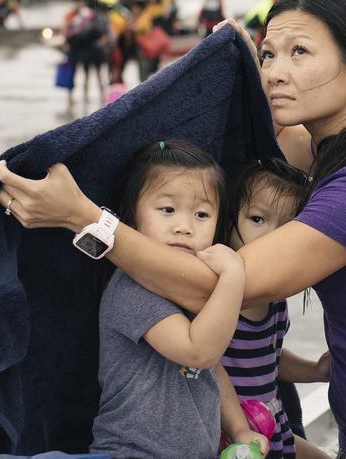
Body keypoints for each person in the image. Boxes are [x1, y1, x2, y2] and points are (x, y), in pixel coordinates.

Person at [0, 0, 346, 458]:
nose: (276, 71)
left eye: (299, 52)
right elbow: (247, 148)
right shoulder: (335, 150)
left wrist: (85, 219)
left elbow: (218, 289)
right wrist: (231, 62)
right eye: (268, 55)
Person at [87, 139, 264, 459]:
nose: (184, 227)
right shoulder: (132, 289)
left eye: (201, 213)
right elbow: (198, 352)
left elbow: (211, 371)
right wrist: (233, 276)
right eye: (167, 209)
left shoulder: (188, 290)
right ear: (132, 217)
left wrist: (240, 429)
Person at [217, 159, 333, 459]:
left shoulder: (276, 301)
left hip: (272, 427)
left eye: (287, 228)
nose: (271, 236)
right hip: (232, 437)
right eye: (257, 219)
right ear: (230, 221)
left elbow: (271, 359)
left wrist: (315, 371)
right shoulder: (217, 298)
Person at [63, 0, 108, 106]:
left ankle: (103, 99)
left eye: (82, 2)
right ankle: (80, 99)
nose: (80, 4)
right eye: (78, 2)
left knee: (98, 74)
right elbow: (66, 30)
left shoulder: (92, 14)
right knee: (80, 74)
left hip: (92, 49)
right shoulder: (71, 15)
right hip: (79, 48)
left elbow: (103, 31)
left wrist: (102, 43)